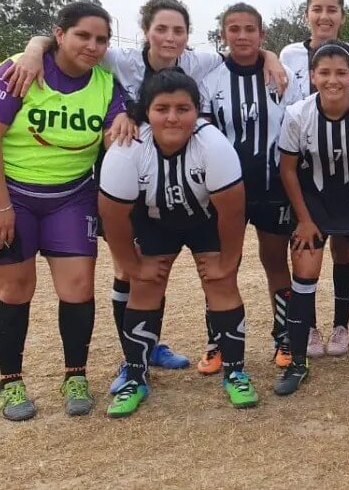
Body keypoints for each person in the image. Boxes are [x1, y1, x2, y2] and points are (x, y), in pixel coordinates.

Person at [4, 0, 289, 384]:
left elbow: (245, 49)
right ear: (146, 32)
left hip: (188, 169)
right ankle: (134, 357)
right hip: (129, 164)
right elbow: (64, 44)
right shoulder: (117, 58)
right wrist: (33, 50)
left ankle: (168, 350)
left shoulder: (198, 62)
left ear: (189, 36)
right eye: (161, 29)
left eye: (178, 31)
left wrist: (270, 56)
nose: (169, 38)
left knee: (166, 268)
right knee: (131, 270)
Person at [0, 1, 126, 420]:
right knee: (14, 290)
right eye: (83, 36)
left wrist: (124, 124)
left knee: (78, 287)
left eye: (101, 39)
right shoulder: (21, 69)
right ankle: (10, 383)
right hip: (7, 192)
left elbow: (115, 132)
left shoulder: (106, 84)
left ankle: (75, 374)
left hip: (70, 195)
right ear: (59, 34)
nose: (92, 46)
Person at [99, 69, 257, 417]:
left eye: (183, 109)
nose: (172, 117)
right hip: (155, 220)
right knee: (144, 284)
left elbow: (231, 213)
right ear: (148, 112)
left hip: (205, 220)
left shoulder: (213, 144)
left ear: (196, 111)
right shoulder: (129, 148)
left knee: (221, 282)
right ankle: (136, 376)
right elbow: (113, 217)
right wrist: (132, 264)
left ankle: (235, 371)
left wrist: (228, 261)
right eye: (162, 108)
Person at [275, 42, 349, 394]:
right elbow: (287, 170)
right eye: (324, 73)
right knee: (305, 273)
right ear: (312, 76)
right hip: (313, 204)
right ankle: (298, 362)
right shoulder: (299, 114)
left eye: (341, 73)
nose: (333, 80)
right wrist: (304, 220)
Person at [198, 3, 302, 372]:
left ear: (262, 34)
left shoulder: (283, 75)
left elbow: (298, 125)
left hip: (274, 187)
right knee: (223, 265)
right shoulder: (210, 80)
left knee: (275, 261)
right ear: (223, 33)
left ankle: (285, 337)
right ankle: (219, 342)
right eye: (233, 29)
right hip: (226, 192)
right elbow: (203, 136)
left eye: (249, 29)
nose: (242, 36)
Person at [280, 0, 349, 358]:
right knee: (306, 247)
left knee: (344, 252)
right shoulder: (287, 54)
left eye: (332, 9)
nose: (324, 16)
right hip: (305, 167)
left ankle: (341, 326)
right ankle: (309, 329)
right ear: (307, 15)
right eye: (317, 9)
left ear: (342, 16)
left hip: (347, 167)